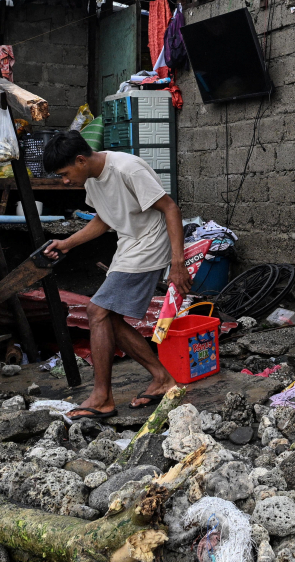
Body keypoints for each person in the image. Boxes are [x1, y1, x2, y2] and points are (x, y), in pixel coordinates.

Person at [41, 131, 190, 420]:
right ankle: (162, 378)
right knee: (108, 317)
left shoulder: (126, 168)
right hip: (129, 245)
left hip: (150, 244)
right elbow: (104, 219)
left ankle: (102, 398)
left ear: (81, 160)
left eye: (65, 173)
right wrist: (66, 244)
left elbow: (170, 207)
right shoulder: (92, 179)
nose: (65, 181)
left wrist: (177, 262)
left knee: (96, 310)